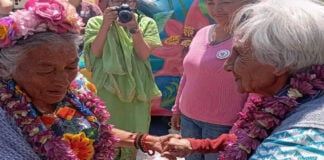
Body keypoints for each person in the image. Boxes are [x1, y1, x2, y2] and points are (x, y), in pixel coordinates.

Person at [0, 0, 169, 159]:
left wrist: (146, 141)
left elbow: (94, 130)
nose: (63, 81)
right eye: (46, 71)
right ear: (7, 69)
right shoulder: (5, 116)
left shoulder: (76, 90)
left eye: (71, 67)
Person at [160, 0, 324, 159]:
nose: (228, 65)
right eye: (210, 2)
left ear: (279, 62)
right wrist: (194, 144)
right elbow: (247, 137)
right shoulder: (298, 98)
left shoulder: (295, 145)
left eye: (239, 54)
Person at [170, 0, 255, 159]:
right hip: (189, 118)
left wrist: (245, 123)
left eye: (225, 2)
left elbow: (256, 88)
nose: (216, 9)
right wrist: (177, 108)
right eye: (211, 3)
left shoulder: (250, 39)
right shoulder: (202, 32)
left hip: (224, 125)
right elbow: (188, 73)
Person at [83, 0, 162, 159]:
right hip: (107, 88)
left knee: (134, 133)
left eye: (126, 1)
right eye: (116, 1)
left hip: (136, 89)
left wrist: (134, 28)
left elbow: (144, 54)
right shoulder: (96, 22)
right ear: (109, 2)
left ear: (134, 3)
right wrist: (105, 24)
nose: (121, 5)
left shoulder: (146, 23)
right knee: (105, 132)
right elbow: (96, 52)